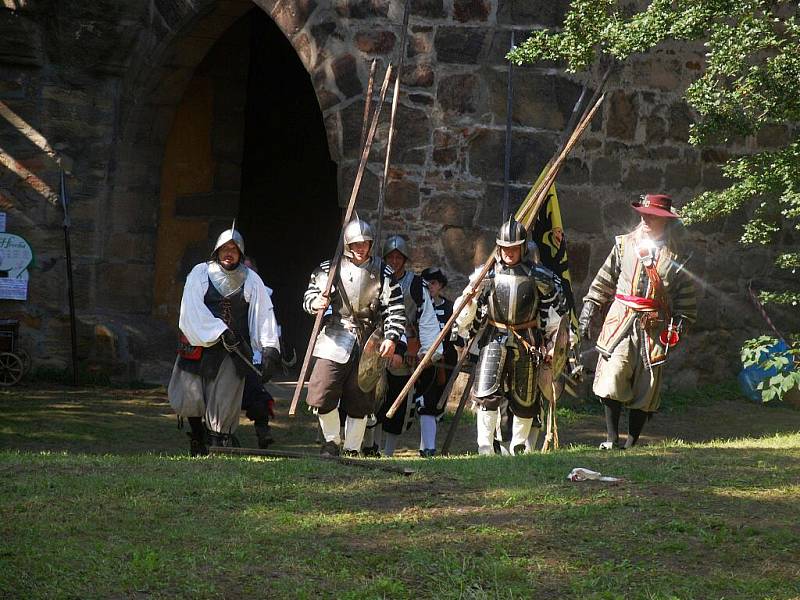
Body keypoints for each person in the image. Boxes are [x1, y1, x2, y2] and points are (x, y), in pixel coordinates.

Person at [579, 194, 697, 449]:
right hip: (621, 320)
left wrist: (679, 326)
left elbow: (686, 297)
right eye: (644, 215)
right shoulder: (623, 245)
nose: (646, 220)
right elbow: (604, 278)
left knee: (647, 385)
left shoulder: (678, 256)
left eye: (652, 216)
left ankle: (632, 442)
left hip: (655, 326)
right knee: (613, 374)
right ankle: (611, 439)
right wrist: (590, 307)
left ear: (665, 221)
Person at [455, 216, 567, 455]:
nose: (509, 253)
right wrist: (472, 296)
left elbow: (553, 312)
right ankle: (485, 447)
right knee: (486, 392)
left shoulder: (540, 276)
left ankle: (518, 446)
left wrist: (551, 343)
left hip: (527, 339)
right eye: (505, 248)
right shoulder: (486, 275)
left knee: (525, 398)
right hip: (494, 336)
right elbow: (465, 312)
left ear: (522, 248)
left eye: (514, 248)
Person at [168, 225, 281, 456]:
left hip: (233, 350)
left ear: (240, 253)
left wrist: (269, 348)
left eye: (234, 249)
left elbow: (263, 313)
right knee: (193, 396)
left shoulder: (252, 280)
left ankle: (219, 442)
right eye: (225, 249)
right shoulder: (200, 273)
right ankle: (197, 437)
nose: (229, 253)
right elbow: (191, 309)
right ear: (217, 251)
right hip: (198, 345)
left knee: (225, 396)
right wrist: (219, 331)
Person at [303, 218, 405, 457]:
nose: (361, 248)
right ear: (348, 244)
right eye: (356, 244)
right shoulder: (330, 269)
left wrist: (391, 337)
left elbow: (395, 309)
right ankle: (331, 441)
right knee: (322, 390)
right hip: (335, 335)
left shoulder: (383, 272)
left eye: (365, 243)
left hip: (369, 339)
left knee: (361, 398)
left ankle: (352, 447)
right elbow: (309, 296)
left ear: (371, 244)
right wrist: (317, 302)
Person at [374, 236, 442, 457]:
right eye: (391, 257)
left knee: (396, 397)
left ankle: (388, 450)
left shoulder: (415, 284)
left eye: (398, 257)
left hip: (405, 347)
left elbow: (427, 317)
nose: (394, 261)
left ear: (404, 260)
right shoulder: (375, 277)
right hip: (374, 341)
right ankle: (368, 444)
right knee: (370, 395)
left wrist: (429, 349)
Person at [416, 266, 463, 457]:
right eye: (426, 283)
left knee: (438, 404)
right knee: (426, 400)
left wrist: (455, 334)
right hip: (424, 360)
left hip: (446, 361)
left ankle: (426, 443)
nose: (430, 287)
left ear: (441, 285)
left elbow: (460, 338)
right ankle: (428, 448)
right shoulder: (419, 307)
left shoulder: (451, 307)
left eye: (434, 283)